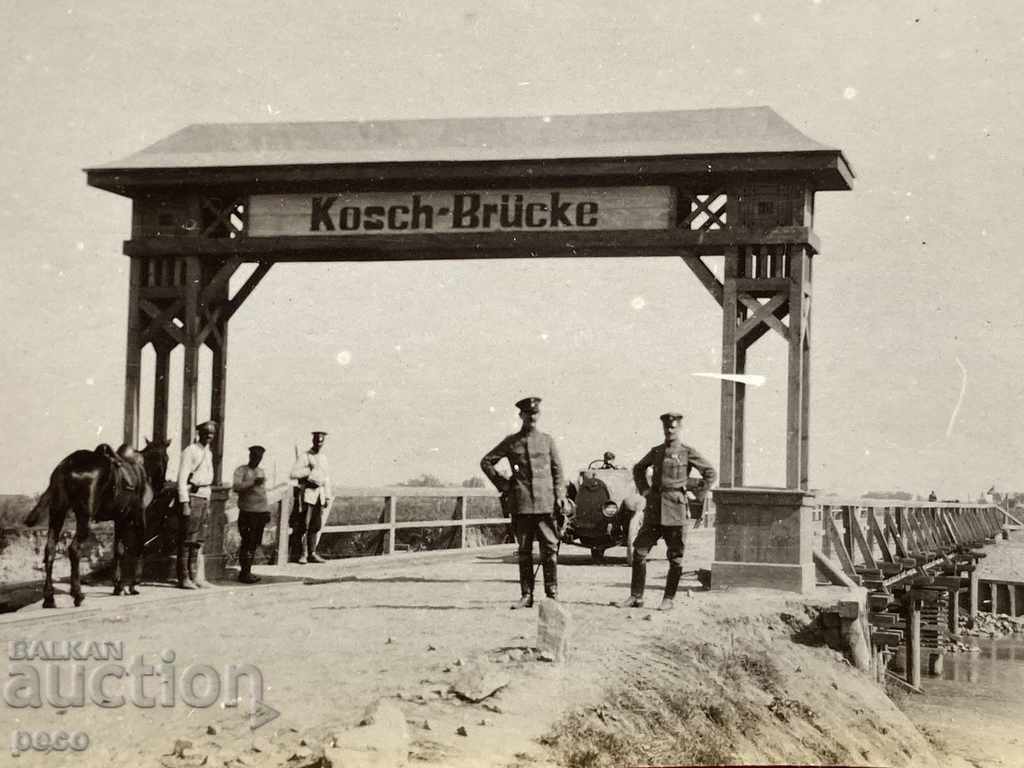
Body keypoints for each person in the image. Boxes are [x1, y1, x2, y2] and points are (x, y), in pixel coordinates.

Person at [620, 412, 716, 611]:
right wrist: (645, 490)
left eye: (673, 427)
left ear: (679, 428)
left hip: (675, 509)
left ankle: (668, 599)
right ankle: (636, 596)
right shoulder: (656, 451)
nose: (669, 430)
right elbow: (638, 468)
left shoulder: (687, 452)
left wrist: (698, 495)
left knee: (675, 557)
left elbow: (709, 472)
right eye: (666, 427)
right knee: (639, 552)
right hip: (654, 510)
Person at [480, 396, 566, 608]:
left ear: (539, 415)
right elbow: (487, 462)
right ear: (521, 416)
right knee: (524, 550)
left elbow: (557, 471)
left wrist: (560, 495)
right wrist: (504, 484)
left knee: (550, 550)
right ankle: (526, 595)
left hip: (546, 503)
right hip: (522, 504)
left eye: (535, 414)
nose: (532, 417)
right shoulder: (512, 442)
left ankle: (552, 594)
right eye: (528, 414)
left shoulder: (547, 441)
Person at [176, 420, 217, 589]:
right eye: (206, 432)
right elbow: (182, 479)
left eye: (212, 433)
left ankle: (195, 577)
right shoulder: (190, 451)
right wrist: (184, 502)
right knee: (187, 539)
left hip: (204, 497)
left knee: (198, 540)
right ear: (199, 433)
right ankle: (184, 578)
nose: (209, 435)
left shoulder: (208, 452)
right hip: (193, 497)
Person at [289, 430, 332, 564]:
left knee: (315, 525)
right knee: (304, 525)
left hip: (320, 495)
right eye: (316, 440)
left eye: (321, 440)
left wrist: (327, 496)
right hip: (308, 494)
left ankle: (312, 553)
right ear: (312, 440)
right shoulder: (305, 456)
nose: (318, 443)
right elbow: (293, 473)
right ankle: (303, 554)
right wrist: (309, 471)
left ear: (324, 442)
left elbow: (326, 478)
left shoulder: (324, 458)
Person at [233, 445, 270, 584]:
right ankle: (244, 573)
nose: (257, 459)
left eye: (259, 457)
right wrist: (252, 482)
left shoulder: (261, 471)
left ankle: (247, 571)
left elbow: (263, 493)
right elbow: (236, 487)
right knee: (247, 542)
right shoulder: (241, 470)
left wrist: (266, 510)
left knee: (254, 543)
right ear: (250, 455)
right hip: (247, 512)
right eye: (254, 456)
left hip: (260, 513)